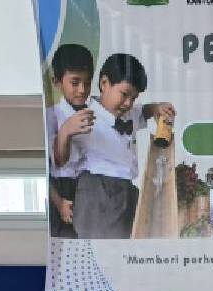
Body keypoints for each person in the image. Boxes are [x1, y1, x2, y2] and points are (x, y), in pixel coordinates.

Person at [68, 53, 176, 239]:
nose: (128, 103)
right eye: (125, 94)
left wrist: (157, 107)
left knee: (130, 247)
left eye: (133, 98)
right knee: (106, 251)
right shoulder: (84, 116)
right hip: (99, 191)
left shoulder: (128, 114)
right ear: (104, 83)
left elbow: (143, 111)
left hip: (126, 190)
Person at [46, 43, 95, 238]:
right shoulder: (51, 117)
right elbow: (55, 163)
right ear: (57, 82)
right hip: (63, 190)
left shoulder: (96, 112)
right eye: (75, 82)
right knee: (67, 245)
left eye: (87, 82)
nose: (82, 90)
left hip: (90, 188)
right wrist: (65, 131)